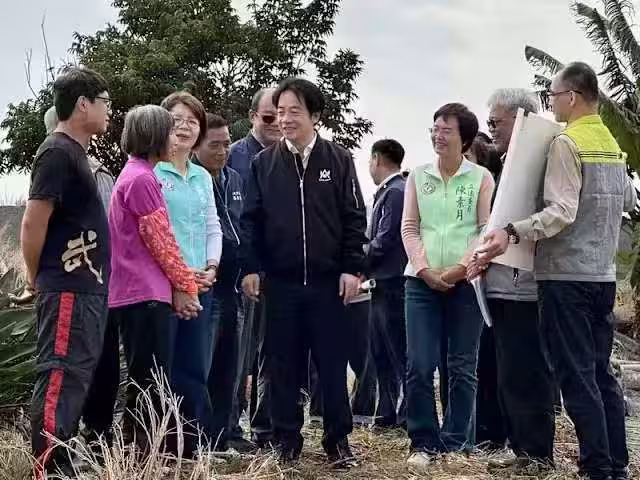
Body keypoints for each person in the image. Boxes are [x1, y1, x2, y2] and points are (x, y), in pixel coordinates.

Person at [475, 62, 637, 480]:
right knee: (601, 375)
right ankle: (617, 464)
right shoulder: (610, 144)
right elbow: (627, 202)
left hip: (565, 277)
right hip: (602, 276)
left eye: (553, 96)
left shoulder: (567, 142)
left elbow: (561, 212)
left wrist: (513, 230)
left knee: (576, 377)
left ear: (572, 97)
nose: (551, 104)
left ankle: (595, 467)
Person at [240, 78, 367, 467]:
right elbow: (250, 221)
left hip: (329, 285)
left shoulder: (338, 159)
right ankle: (286, 440)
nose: (285, 119)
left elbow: (354, 217)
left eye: (294, 111)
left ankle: (338, 441)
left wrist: (352, 268)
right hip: (281, 284)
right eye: (280, 112)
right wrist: (251, 268)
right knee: (282, 366)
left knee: (331, 366)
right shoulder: (264, 164)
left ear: (315, 116)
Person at [23, 67, 112, 478]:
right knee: (60, 375)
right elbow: (32, 221)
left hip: (87, 288)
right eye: (104, 102)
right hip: (67, 287)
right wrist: (34, 275)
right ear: (82, 104)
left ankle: (60, 460)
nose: (109, 110)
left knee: (75, 377)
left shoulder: (75, 153)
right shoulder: (57, 152)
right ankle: (47, 468)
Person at [401, 103, 494, 469]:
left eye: (447, 131)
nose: (438, 136)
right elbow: (410, 227)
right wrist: (424, 269)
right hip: (420, 283)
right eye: (435, 129)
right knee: (419, 364)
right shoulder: (418, 176)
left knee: (462, 367)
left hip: (466, 283)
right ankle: (423, 442)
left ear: (464, 139)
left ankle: (455, 444)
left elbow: (484, 229)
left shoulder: (481, 178)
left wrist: (458, 270)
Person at [108, 104, 202, 452]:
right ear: (154, 136)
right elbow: (162, 240)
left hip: (136, 292)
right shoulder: (143, 179)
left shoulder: (134, 173)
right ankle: (142, 452)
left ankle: (139, 450)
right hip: (142, 293)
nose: (175, 137)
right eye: (170, 130)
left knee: (144, 376)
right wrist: (187, 286)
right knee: (150, 379)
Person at [472, 88, 557, 473]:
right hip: (500, 284)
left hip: (525, 287)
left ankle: (537, 454)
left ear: (521, 120)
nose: (491, 130)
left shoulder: (540, 161)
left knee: (527, 373)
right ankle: (519, 447)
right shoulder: (505, 164)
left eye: (496, 122)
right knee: (508, 373)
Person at [42, 103, 121, 451]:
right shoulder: (58, 163)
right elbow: (35, 224)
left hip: (95, 281)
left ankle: (86, 438)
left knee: (90, 364)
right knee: (68, 368)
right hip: (76, 283)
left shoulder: (95, 172)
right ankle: (58, 451)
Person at [155, 92, 223, 454]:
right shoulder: (151, 171)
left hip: (200, 286)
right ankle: (159, 445)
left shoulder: (202, 177)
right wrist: (179, 276)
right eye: (176, 119)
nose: (184, 127)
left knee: (195, 367)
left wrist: (211, 267)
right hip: (163, 286)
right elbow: (154, 234)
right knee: (162, 367)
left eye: (192, 121)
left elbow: (213, 226)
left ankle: (191, 446)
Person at [192, 113, 254, 452]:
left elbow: (244, 227)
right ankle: (199, 436)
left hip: (235, 287)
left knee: (232, 366)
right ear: (196, 146)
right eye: (214, 145)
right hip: (205, 286)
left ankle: (224, 434)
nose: (222, 151)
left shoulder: (236, 179)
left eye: (227, 143)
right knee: (203, 365)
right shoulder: (194, 181)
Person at [228, 87, 281, 447]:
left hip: (281, 271)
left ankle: (265, 427)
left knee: (274, 354)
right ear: (252, 117)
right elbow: (235, 219)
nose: (277, 123)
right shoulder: (234, 156)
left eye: (282, 115)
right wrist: (247, 265)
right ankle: (232, 427)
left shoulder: (289, 156)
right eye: (268, 116)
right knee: (240, 353)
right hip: (245, 271)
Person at [365, 138, 408, 429]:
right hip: (381, 283)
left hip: (393, 282)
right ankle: (386, 412)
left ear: (377, 159)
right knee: (381, 352)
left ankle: (404, 414)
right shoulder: (390, 191)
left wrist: (354, 258)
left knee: (397, 351)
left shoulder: (395, 192)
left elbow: (384, 241)